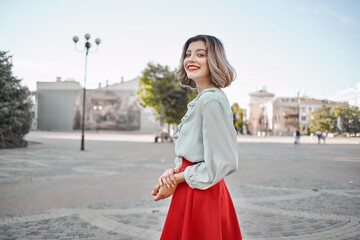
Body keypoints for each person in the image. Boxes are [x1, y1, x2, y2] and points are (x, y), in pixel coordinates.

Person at [151, 35, 242, 240]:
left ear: (214, 61)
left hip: (201, 194)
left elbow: (223, 162)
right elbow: (193, 152)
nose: (191, 59)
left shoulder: (210, 100)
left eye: (200, 54)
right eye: (187, 54)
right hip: (193, 188)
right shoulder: (203, 100)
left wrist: (177, 177)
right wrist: (172, 173)